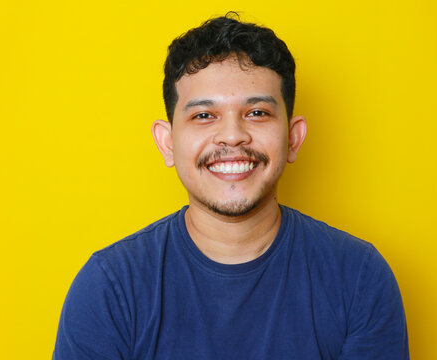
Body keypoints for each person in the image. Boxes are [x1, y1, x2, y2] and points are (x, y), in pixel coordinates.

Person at [53, 13, 409, 360]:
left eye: (256, 112)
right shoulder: (109, 287)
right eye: (204, 116)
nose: (233, 136)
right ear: (167, 143)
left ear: (293, 138)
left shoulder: (359, 278)